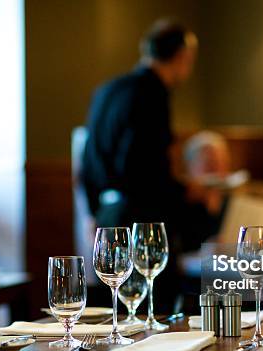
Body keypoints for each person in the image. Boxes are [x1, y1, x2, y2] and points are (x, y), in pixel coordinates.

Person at [81, 19, 200, 312]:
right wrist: (187, 192)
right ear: (182, 57)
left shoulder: (106, 91)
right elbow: (145, 170)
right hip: (141, 221)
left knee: (121, 315)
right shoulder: (153, 93)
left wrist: (94, 213)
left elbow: (87, 159)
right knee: (152, 313)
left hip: (107, 217)